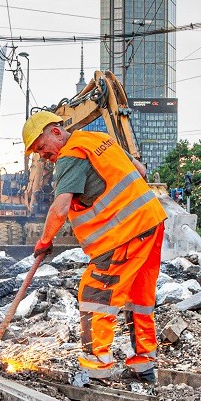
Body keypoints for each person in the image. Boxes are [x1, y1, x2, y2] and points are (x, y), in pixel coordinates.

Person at [22, 111, 167, 384]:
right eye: (36, 152)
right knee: (140, 297)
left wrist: (44, 241)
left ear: (55, 132)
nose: (42, 155)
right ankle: (143, 365)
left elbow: (60, 207)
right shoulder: (99, 139)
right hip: (151, 222)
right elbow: (141, 171)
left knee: (95, 295)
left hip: (123, 232)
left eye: (41, 147)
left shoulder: (71, 154)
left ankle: (96, 369)